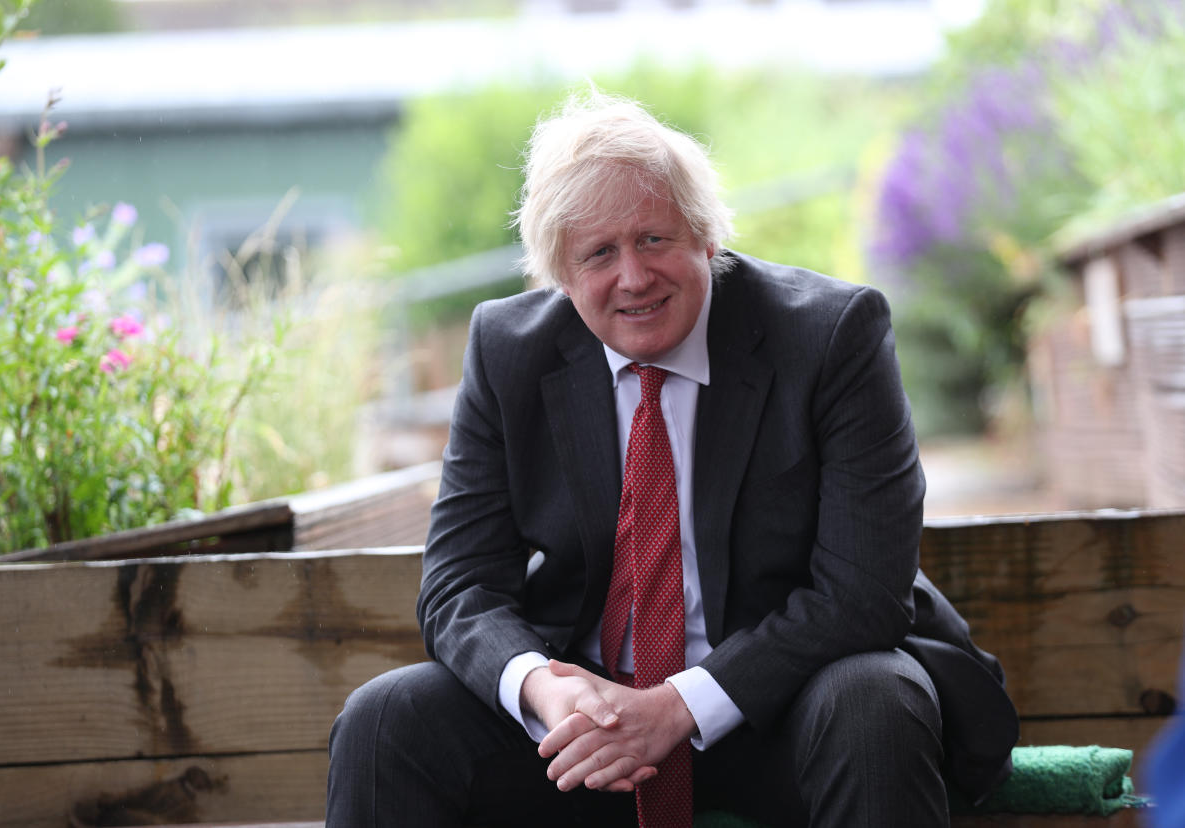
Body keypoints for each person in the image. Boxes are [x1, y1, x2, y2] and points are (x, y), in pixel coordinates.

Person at [326, 90, 1019, 828]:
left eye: (654, 239)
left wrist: (680, 706)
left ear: (706, 237)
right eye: (598, 253)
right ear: (561, 274)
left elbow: (862, 593)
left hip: (780, 706)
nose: (633, 276)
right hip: (586, 731)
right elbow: (459, 584)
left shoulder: (830, 336)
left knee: (875, 700)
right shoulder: (509, 352)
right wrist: (544, 688)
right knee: (386, 718)